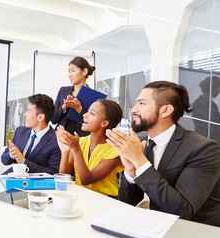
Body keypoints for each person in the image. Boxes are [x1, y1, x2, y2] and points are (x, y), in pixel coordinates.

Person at [105, 81, 220, 227]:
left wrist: (139, 160)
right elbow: (128, 202)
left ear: (165, 110)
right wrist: (131, 172)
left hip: (197, 233)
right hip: (158, 227)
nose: (133, 109)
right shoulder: (142, 143)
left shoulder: (204, 149)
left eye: (142, 103)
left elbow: (182, 211)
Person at [57, 99, 124, 197]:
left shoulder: (115, 150)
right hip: (80, 197)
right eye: (87, 111)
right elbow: (63, 177)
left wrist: (76, 149)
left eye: (92, 113)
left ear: (104, 123)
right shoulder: (80, 141)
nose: (84, 115)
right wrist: (65, 151)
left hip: (106, 201)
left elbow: (87, 180)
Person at [1, 93, 61, 175]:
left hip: (36, 184)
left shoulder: (56, 140)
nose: (25, 114)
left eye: (29, 111)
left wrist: (24, 161)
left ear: (40, 117)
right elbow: (4, 160)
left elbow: (52, 172)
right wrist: (12, 154)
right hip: (13, 178)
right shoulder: (20, 131)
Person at [50, 56, 96, 136]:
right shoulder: (63, 91)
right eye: (69, 71)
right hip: (61, 137)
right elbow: (53, 120)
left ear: (84, 72)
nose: (70, 75)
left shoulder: (93, 96)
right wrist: (64, 107)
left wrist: (79, 109)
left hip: (81, 139)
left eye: (73, 71)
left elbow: (93, 124)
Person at [192, 76, 220, 143]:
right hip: (209, 141)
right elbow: (214, 127)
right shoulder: (210, 105)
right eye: (219, 88)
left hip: (200, 139)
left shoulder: (197, 102)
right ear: (215, 88)